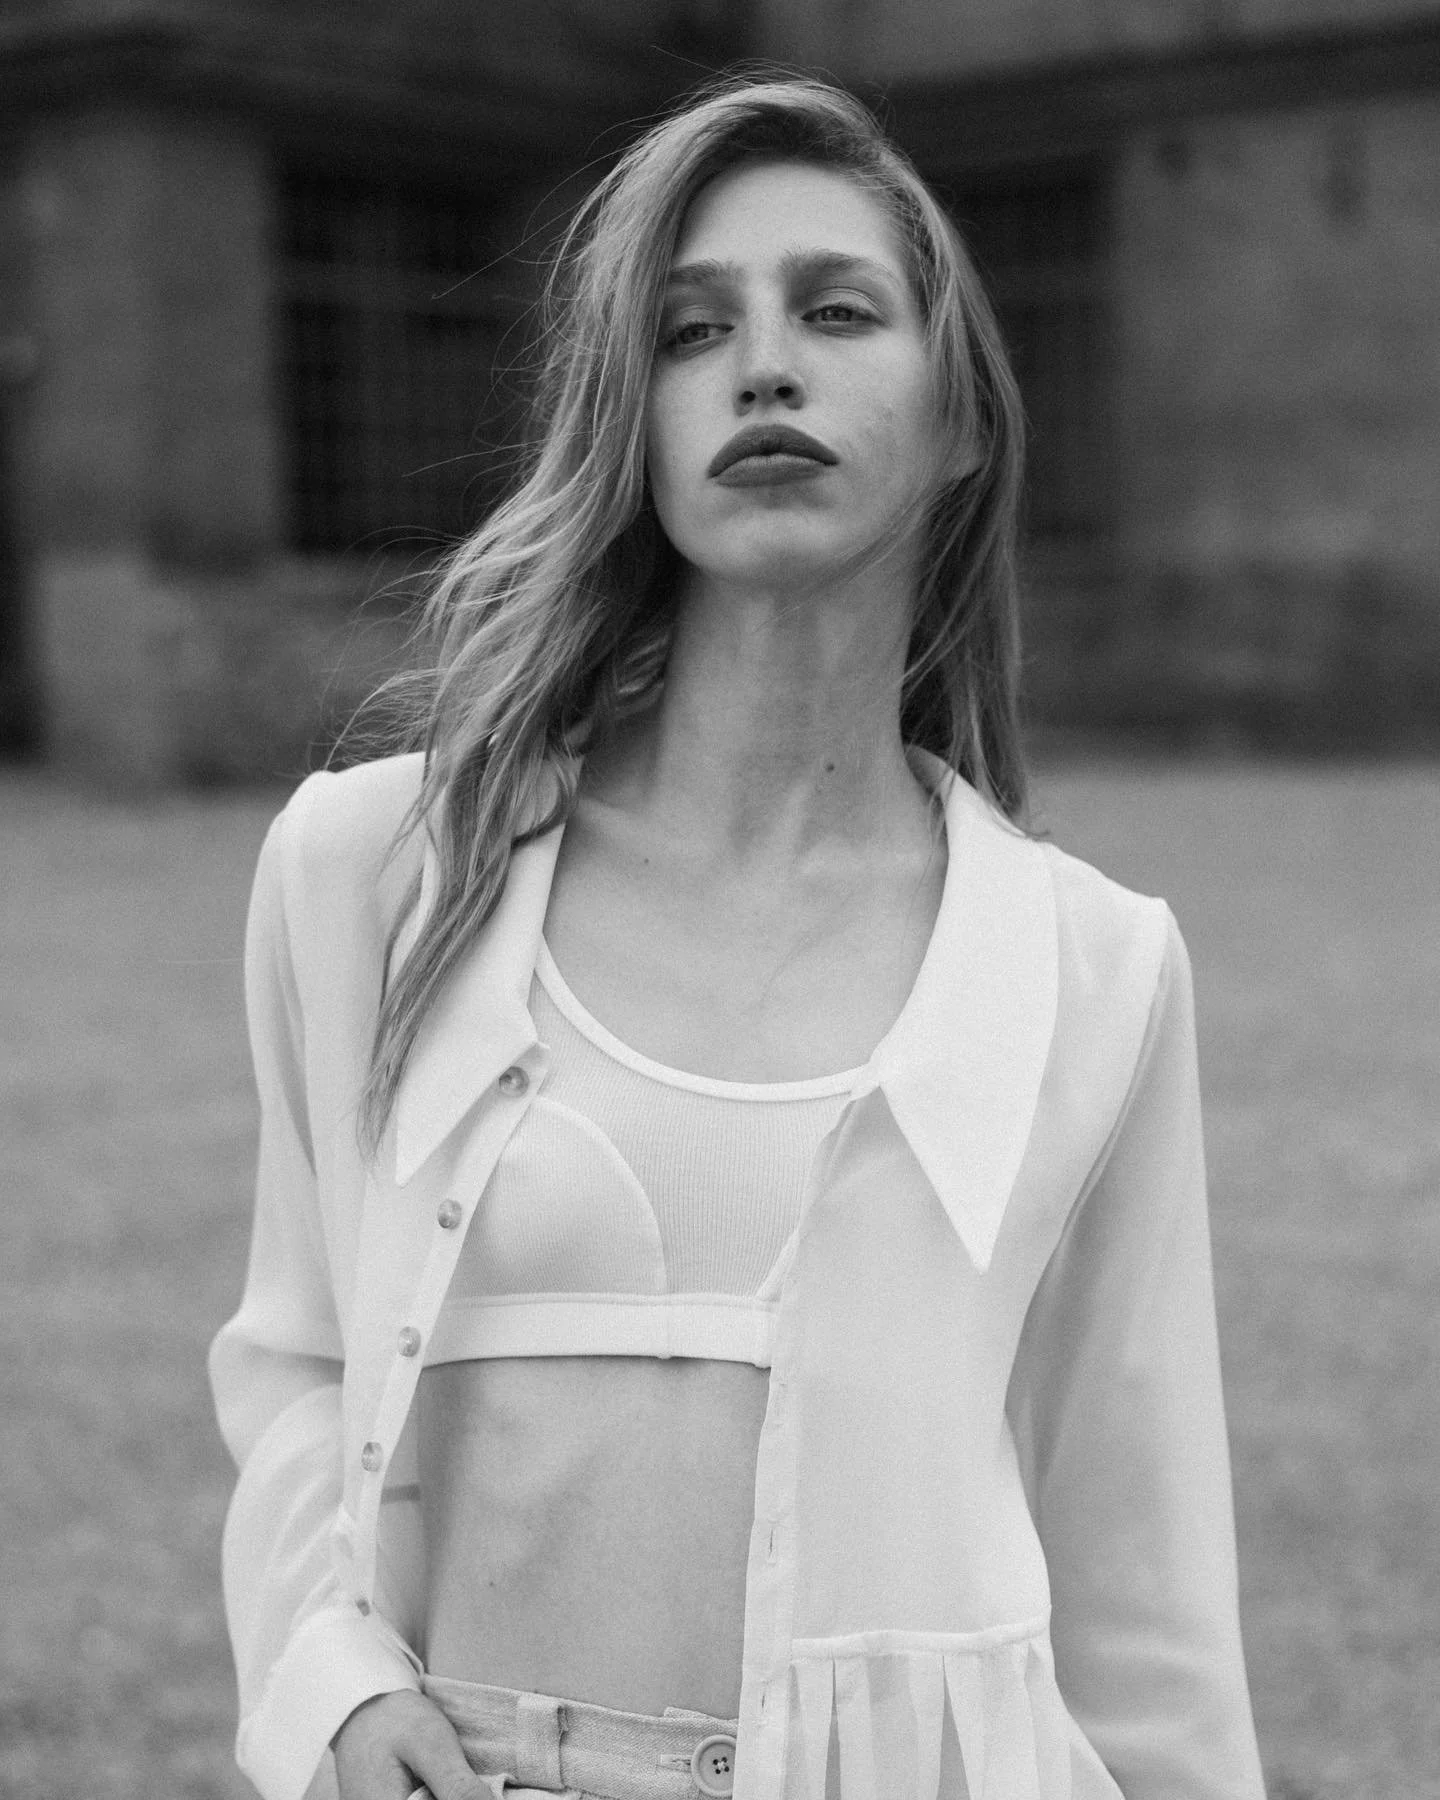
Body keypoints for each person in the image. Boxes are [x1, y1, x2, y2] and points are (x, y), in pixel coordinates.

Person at [209, 75, 1266, 1800]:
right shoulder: (375, 876)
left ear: (961, 418)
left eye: (835, 312)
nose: (762, 367)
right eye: (691, 331)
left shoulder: (1093, 970)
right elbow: (299, 1361)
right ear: (631, 423)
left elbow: (1143, 1593)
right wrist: (326, 1680)